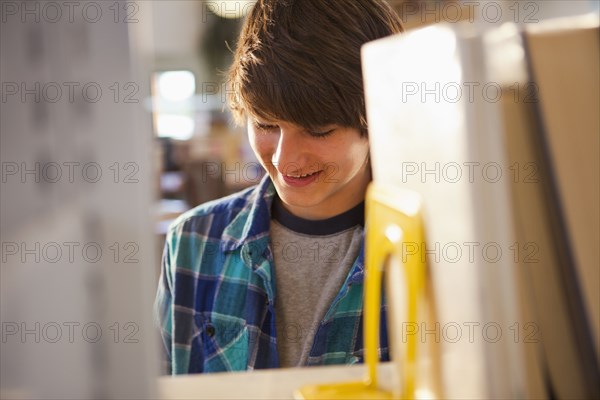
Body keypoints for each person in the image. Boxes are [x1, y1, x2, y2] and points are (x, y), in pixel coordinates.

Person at [155, 0, 404, 374]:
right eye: (267, 125)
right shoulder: (192, 242)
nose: (286, 158)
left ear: (378, 117)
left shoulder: (427, 247)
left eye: (319, 130)